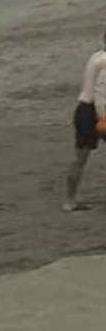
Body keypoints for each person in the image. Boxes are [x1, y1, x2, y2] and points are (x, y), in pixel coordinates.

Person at [65, 28, 106, 212]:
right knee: (81, 159)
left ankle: (69, 201)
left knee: (79, 160)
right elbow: (101, 93)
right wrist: (103, 119)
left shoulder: (96, 56)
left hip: (82, 110)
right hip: (94, 112)